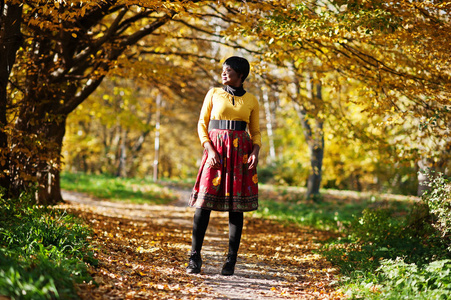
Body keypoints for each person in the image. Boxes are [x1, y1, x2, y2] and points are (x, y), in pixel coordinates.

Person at [187, 56, 261, 276]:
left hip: (241, 155)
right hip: (215, 152)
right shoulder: (213, 93)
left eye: (228, 70)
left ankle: (230, 261)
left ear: (240, 75)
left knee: (236, 208)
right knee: (203, 203)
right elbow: (202, 123)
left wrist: (255, 152)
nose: (224, 73)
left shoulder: (252, 100)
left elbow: (255, 131)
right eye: (223, 70)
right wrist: (209, 149)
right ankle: (194, 258)